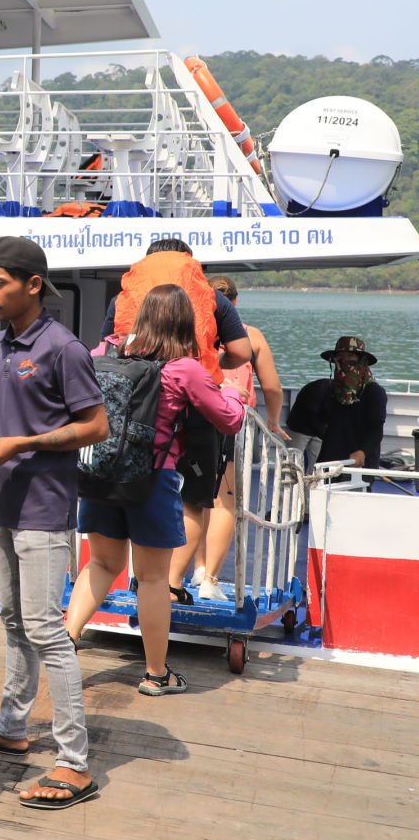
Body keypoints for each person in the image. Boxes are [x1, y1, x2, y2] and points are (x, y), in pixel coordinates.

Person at [0, 236, 108, 811]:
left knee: (45, 630)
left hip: (44, 509)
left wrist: (27, 442)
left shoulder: (63, 349)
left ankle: (73, 761)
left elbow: (97, 426)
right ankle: (11, 726)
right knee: (13, 620)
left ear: (33, 285)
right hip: (4, 506)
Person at [65, 285, 247, 695]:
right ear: (186, 322)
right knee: (151, 579)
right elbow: (228, 420)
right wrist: (233, 394)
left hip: (101, 474)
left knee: (100, 565)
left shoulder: (103, 353)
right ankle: (155, 673)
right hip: (153, 480)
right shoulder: (183, 368)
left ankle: (68, 641)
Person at [101, 238, 251, 598]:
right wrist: (213, 367)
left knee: (136, 485)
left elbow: (107, 347)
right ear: (189, 261)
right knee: (193, 500)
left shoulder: (125, 295)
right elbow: (241, 352)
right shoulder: (209, 297)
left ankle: (141, 578)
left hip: (138, 409)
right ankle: (169, 583)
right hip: (196, 405)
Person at [192, 276, 286, 601]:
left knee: (195, 497)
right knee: (225, 502)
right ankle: (210, 580)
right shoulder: (250, 335)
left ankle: (199, 566)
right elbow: (272, 388)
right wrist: (273, 422)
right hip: (234, 423)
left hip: (198, 421)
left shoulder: (196, 335)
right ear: (235, 302)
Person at [286, 336, 387, 470]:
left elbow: (376, 430)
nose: (345, 361)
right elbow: (322, 424)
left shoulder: (374, 391)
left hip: (359, 464)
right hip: (328, 463)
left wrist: (363, 451)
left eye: (351, 356)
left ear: (362, 361)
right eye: (340, 357)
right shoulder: (331, 390)